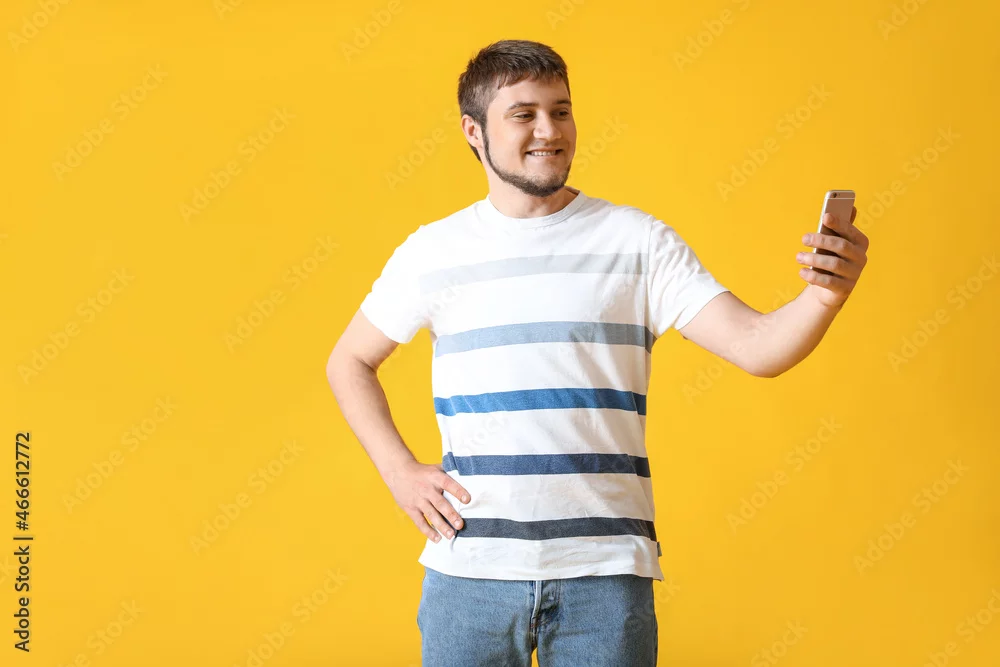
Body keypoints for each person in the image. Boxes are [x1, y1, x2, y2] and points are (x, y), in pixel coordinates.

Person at [326, 39, 868, 667]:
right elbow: (349, 362)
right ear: (474, 132)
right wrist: (399, 472)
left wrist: (825, 295)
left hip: (606, 577)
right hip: (469, 571)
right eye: (524, 114)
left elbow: (758, 347)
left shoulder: (638, 242)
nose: (549, 130)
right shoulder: (432, 252)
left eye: (561, 111)